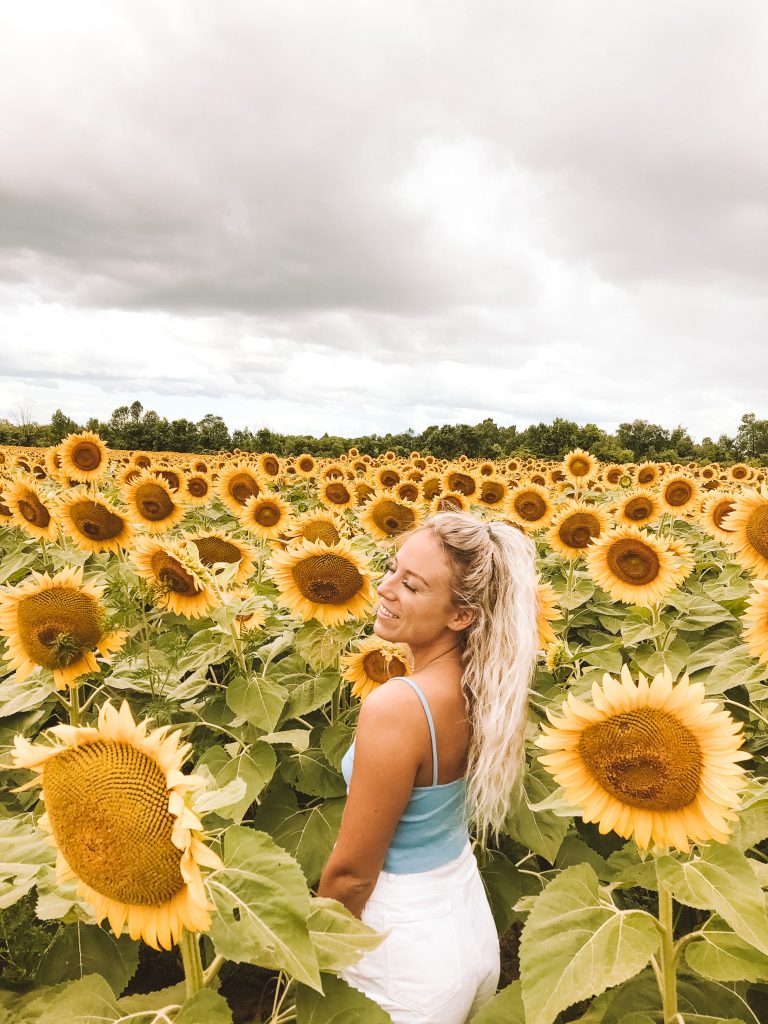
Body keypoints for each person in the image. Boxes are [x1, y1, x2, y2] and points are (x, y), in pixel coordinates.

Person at [317, 511, 540, 1023]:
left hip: (399, 949)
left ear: (460, 615)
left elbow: (352, 875)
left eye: (411, 585)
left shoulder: (398, 706)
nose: (384, 588)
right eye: (392, 569)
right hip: (464, 919)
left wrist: (310, 948)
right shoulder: (487, 686)